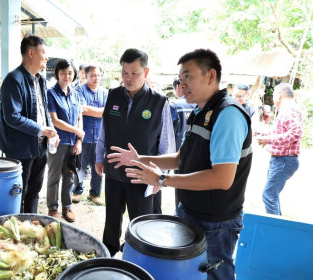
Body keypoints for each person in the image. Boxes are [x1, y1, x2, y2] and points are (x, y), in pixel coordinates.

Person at [107, 49, 253, 280]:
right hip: (189, 210)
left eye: (188, 76)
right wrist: (140, 159)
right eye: (180, 78)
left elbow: (222, 178)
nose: (181, 84)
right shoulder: (199, 111)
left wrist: (162, 179)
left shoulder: (228, 115)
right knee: (189, 273)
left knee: (215, 274)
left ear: (210, 76)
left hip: (216, 220)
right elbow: (179, 158)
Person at [95, 48, 175, 257]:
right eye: (125, 73)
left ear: (146, 72)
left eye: (135, 73)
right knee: (112, 217)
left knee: (141, 222)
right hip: (113, 170)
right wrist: (98, 156)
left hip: (143, 175)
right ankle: (108, 253)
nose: (129, 78)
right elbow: (105, 129)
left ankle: (137, 257)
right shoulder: (113, 95)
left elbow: (166, 142)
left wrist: (161, 174)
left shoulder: (159, 102)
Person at [0, 35, 58, 214]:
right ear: (31, 52)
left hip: (41, 146)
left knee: (34, 191)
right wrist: (40, 129)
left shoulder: (41, 79)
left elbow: (43, 109)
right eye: (43, 53)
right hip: (20, 148)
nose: (46, 57)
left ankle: (30, 223)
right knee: (17, 193)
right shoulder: (14, 79)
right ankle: (15, 225)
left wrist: (51, 131)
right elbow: (12, 117)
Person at [46, 58, 84, 222]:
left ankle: (67, 208)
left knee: (69, 175)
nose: (67, 76)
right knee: (54, 176)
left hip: (73, 143)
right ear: (57, 74)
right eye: (63, 73)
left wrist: (79, 140)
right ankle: (52, 208)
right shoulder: (51, 93)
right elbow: (55, 120)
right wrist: (77, 131)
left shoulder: (75, 93)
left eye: (70, 73)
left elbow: (79, 116)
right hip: (58, 142)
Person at [257, 83, 302, 215]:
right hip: (280, 160)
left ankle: (276, 230)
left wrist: (269, 140)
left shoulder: (290, 109)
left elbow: (296, 133)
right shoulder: (287, 109)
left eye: (274, 95)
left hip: (284, 160)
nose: (273, 98)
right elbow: (281, 131)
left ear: (280, 95)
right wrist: (263, 135)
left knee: (269, 195)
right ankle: (278, 226)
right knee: (272, 196)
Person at [72, 64, 108, 206]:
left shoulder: (104, 92)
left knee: (98, 165)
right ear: (86, 76)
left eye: (98, 75)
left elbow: (108, 111)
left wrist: (92, 110)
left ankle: (95, 193)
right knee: (80, 164)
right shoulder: (79, 90)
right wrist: (99, 110)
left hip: (100, 135)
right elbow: (82, 109)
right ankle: (77, 191)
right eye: (93, 75)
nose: (96, 78)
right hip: (83, 134)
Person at [169, 76, 195, 207]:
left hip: (178, 155)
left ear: (178, 88)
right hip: (195, 154)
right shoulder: (198, 105)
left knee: (180, 188)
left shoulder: (174, 106)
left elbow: (168, 132)